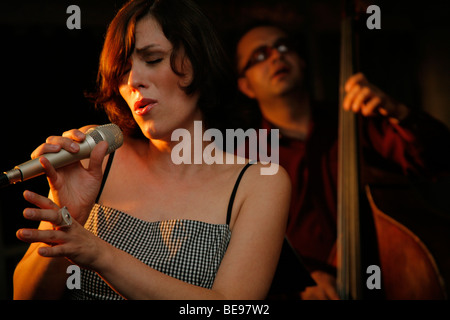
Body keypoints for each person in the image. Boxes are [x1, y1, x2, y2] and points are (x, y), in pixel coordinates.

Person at [13, 0, 291, 300]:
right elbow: (25, 295)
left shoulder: (261, 182)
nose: (133, 81)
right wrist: (65, 218)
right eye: (122, 72)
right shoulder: (98, 160)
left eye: (153, 59)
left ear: (198, 60)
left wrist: (101, 255)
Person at [235, 22, 450, 299]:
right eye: (260, 56)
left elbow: (441, 157)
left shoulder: (357, 120)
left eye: (283, 46)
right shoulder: (243, 159)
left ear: (301, 60)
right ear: (245, 86)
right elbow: (246, 246)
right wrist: (301, 276)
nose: (277, 56)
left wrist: (399, 112)